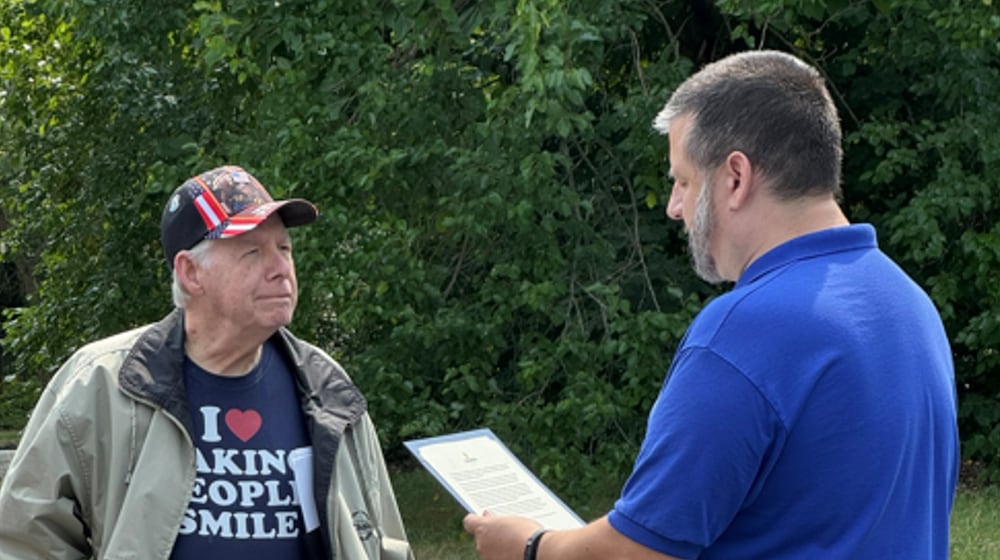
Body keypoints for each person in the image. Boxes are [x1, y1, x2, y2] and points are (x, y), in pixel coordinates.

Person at [463, 50, 959, 559]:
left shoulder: (747, 331)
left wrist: (528, 546)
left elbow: (638, 553)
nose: (674, 208)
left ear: (735, 177)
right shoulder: (909, 304)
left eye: (682, 181)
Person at [0, 165, 413, 560]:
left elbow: (384, 541)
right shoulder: (105, 383)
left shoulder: (327, 389)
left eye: (284, 248)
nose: (280, 269)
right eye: (252, 252)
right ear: (191, 273)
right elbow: (26, 540)